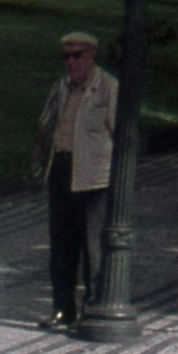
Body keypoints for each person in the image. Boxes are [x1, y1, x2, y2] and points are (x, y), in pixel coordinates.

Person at [32, 31, 118, 333]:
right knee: (61, 247)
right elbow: (46, 122)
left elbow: (120, 136)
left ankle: (92, 310)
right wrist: (40, 153)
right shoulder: (61, 87)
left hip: (93, 178)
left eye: (77, 56)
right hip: (62, 169)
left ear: (91, 56)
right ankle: (62, 310)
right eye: (66, 57)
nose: (71, 62)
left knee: (92, 248)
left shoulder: (107, 88)